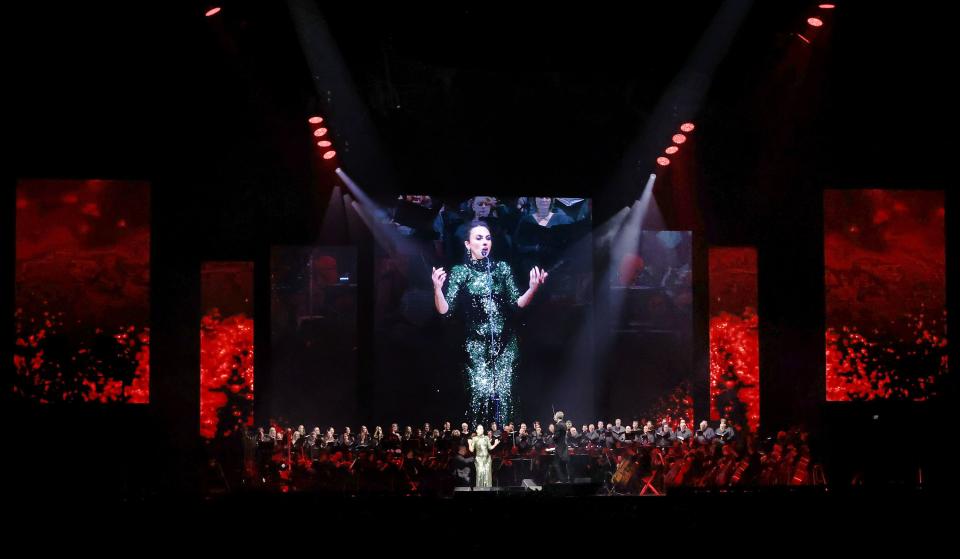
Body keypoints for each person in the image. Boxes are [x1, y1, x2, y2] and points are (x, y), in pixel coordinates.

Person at [432, 220, 548, 426]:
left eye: (488, 238)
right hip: (475, 345)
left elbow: (516, 306)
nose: (485, 242)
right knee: (480, 392)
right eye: (479, 238)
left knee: (504, 394)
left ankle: (506, 445)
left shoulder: (502, 269)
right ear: (468, 244)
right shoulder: (461, 272)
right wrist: (437, 289)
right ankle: (478, 443)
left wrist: (532, 288)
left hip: (505, 344)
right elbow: (445, 312)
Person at [467, 424, 499, 488]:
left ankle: (488, 489)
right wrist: (469, 443)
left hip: (487, 459)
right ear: (477, 430)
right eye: (479, 428)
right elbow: (471, 450)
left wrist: (495, 444)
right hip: (479, 459)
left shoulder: (486, 438)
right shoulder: (474, 438)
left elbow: (490, 448)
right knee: (480, 474)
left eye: (482, 428)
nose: (481, 430)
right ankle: (479, 489)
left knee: (487, 475)